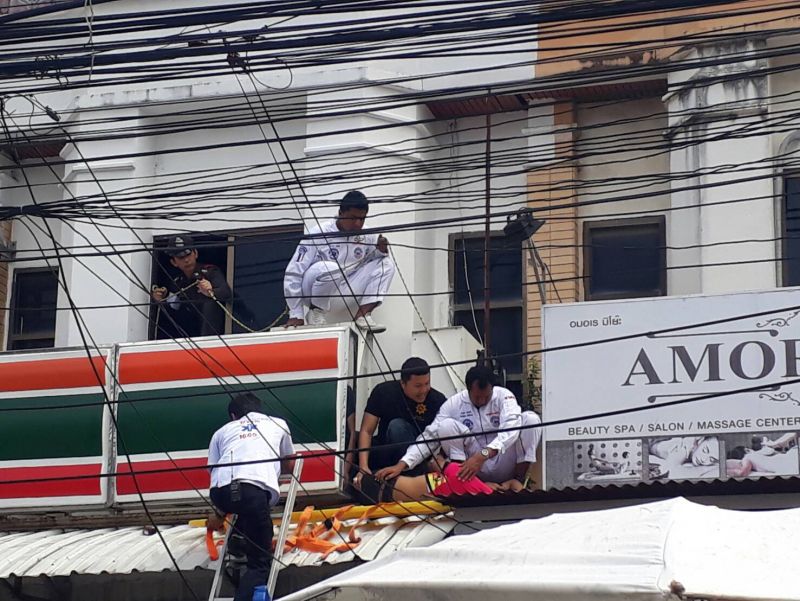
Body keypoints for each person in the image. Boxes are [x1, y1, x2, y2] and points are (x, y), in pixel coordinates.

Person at [376, 365, 542, 487]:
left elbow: (510, 432)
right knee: (446, 426)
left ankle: (518, 482)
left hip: (500, 458)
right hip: (471, 466)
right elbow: (430, 436)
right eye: (477, 397)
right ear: (468, 390)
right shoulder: (454, 403)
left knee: (530, 420)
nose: (483, 401)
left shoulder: (504, 397)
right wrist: (402, 464)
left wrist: (481, 456)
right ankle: (464, 482)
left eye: (487, 397)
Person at [207, 393, 295, 601]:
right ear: (259, 409)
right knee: (260, 562)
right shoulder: (278, 424)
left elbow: (214, 471)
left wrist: (219, 513)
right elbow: (290, 464)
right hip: (253, 491)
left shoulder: (221, 432)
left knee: (244, 509)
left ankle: (240, 539)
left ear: (233, 415)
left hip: (221, 493)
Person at [283, 190, 395, 333]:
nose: (357, 224)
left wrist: (381, 250)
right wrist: (296, 313)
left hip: (344, 292)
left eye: (362, 219)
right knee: (331, 267)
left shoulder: (367, 235)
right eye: (353, 218)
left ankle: (363, 316)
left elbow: (374, 262)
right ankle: (316, 312)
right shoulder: (319, 233)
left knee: (387, 263)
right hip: (313, 291)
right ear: (341, 213)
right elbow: (294, 272)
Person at [354, 358, 447, 490]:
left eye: (427, 384)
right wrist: (363, 466)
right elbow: (366, 430)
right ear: (403, 383)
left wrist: (440, 457)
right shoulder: (383, 392)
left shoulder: (438, 400)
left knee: (397, 427)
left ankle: (412, 478)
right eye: (418, 386)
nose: (424, 390)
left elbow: (447, 432)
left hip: (418, 457)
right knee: (353, 439)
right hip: (386, 449)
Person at [151, 234, 232, 337]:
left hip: (213, 335)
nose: (186, 260)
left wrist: (211, 291)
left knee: (210, 304)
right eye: (180, 257)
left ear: (195, 253)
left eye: (188, 254)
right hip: (189, 335)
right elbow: (175, 308)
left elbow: (226, 293)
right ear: (174, 262)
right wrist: (163, 299)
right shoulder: (177, 282)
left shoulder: (210, 272)